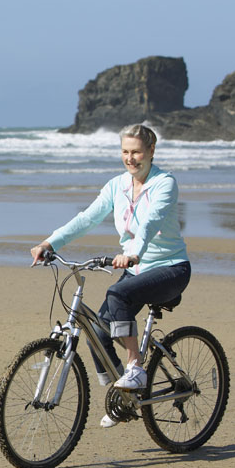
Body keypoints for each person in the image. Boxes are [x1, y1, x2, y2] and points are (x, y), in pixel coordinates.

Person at [29, 124, 191, 428]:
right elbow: (87, 218)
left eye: (137, 152)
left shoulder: (165, 183)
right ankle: (123, 396)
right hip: (135, 269)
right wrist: (49, 243)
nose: (130, 158)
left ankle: (135, 367)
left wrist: (133, 253)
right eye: (125, 152)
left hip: (170, 268)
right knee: (99, 330)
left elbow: (150, 222)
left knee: (117, 295)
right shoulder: (117, 186)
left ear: (151, 152)